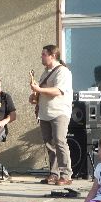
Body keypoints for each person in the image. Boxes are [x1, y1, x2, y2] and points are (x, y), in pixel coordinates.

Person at [30, 44, 74, 185]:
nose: (41, 57)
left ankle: (66, 175)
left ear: (53, 56)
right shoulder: (45, 72)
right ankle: (54, 174)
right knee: (49, 144)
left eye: (44, 54)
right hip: (45, 113)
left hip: (59, 112)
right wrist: (35, 96)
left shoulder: (63, 71)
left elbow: (57, 91)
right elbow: (43, 92)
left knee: (60, 141)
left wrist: (38, 89)